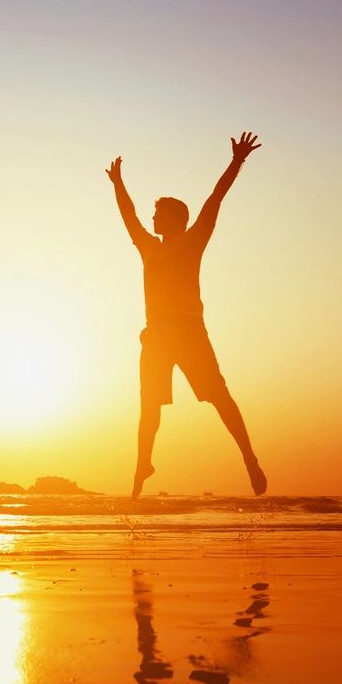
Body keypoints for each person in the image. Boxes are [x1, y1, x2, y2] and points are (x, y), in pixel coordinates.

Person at [107, 132, 267, 498]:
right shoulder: (148, 247)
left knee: (219, 396)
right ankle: (141, 467)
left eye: (158, 214)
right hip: (157, 334)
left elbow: (215, 199)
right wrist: (118, 183)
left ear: (176, 219)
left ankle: (249, 457)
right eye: (154, 214)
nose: (152, 218)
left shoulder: (194, 240)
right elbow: (128, 215)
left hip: (189, 330)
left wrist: (237, 161)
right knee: (149, 406)